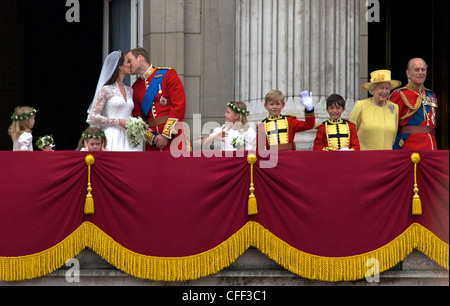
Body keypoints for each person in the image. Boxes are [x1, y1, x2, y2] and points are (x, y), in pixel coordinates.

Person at [126, 47, 187, 152]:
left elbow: (179, 106)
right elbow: (138, 119)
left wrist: (166, 135)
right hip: (153, 144)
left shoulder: (168, 74)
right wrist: (153, 138)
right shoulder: (135, 88)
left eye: (129, 60)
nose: (128, 64)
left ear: (140, 57)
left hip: (175, 137)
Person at [87, 50, 142, 152]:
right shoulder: (106, 89)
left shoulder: (130, 90)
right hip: (113, 136)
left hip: (129, 138)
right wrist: (118, 121)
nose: (130, 65)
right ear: (120, 67)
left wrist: (135, 125)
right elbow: (93, 117)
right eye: (127, 62)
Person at [389, 58, 438, 150]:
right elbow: (390, 125)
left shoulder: (431, 95)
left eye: (423, 70)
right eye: (416, 70)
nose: (420, 72)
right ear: (408, 73)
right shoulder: (399, 95)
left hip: (431, 145)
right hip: (409, 146)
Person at [349, 70, 400, 151]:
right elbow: (350, 133)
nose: (384, 91)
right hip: (365, 157)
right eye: (381, 88)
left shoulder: (394, 108)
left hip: (387, 158)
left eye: (387, 88)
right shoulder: (361, 106)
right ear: (372, 89)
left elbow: (393, 136)